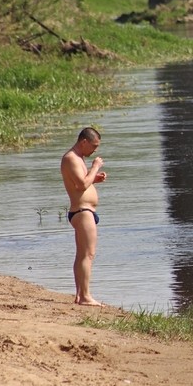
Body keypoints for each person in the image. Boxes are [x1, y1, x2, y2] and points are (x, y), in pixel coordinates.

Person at [61, 127, 107, 306]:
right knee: (88, 254)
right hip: (82, 212)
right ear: (84, 142)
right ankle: (86, 296)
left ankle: (80, 295)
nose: (95, 150)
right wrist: (95, 167)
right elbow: (80, 186)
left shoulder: (77, 158)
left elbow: (81, 181)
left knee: (82, 254)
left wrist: (95, 178)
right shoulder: (71, 158)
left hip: (84, 212)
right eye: (94, 146)